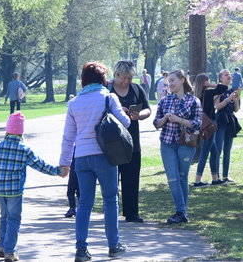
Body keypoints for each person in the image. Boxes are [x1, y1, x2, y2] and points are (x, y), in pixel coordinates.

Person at [59, 62, 132, 261]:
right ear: (102, 79)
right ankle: (113, 244)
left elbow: (68, 136)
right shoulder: (109, 98)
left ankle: (81, 249)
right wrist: (123, 112)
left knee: (84, 203)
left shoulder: (74, 103)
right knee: (110, 200)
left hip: (81, 158)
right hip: (105, 156)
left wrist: (64, 163)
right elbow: (125, 122)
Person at [0, 112, 66, 261]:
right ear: (21, 132)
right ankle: (9, 251)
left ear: (7, 130)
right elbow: (40, 165)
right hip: (14, 191)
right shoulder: (24, 149)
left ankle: (2, 245)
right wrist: (57, 171)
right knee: (14, 219)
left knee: (4, 216)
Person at [153, 69, 202, 225]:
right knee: (173, 178)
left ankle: (181, 212)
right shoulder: (164, 101)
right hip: (167, 143)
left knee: (182, 177)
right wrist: (165, 119)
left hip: (186, 144)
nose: (170, 84)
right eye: (168, 82)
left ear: (182, 80)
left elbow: (197, 124)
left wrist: (179, 120)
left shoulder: (193, 101)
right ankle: (181, 211)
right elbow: (156, 123)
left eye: (173, 80)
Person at [109, 60, 151, 222]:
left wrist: (139, 115)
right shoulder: (107, 89)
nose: (126, 81)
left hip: (132, 141)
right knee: (112, 179)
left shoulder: (136, 89)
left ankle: (131, 212)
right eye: (124, 78)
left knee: (132, 178)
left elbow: (147, 108)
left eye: (130, 78)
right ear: (116, 74)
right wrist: (118, 112)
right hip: (111, 141)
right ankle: (112, 211)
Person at [212, 70, 241, 184]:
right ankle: (216, 177)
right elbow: (217, 106)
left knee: (227, 150)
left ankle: (225, 176)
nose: (229, 76)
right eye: (226, 74)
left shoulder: (232, 91)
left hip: (230, 121)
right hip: (220, 121)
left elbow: (236, 109)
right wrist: (228, 99)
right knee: (218, 149)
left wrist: (236, 99)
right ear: (220, 79)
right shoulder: (217, 91)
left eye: (229, 74)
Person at [192, 73, 220, 188]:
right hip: (209, 125)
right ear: (204, 82)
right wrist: (211, 85)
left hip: (203, 125)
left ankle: (215, 178)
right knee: (205, 153)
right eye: (208, 80)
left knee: (214, 152)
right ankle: (197, 180)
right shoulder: (208, 92)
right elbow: (223, 87)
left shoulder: (197, 94)